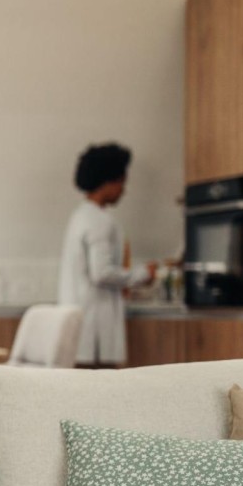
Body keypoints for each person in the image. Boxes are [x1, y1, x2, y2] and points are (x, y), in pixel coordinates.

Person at [57, 142, 157, 367]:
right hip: (94, 329)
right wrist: (142, 274)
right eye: (122, 182)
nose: (124, 189)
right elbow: (101, 272)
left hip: (79, 322)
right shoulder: (100, 221)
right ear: (109, 181)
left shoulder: (80, 216)